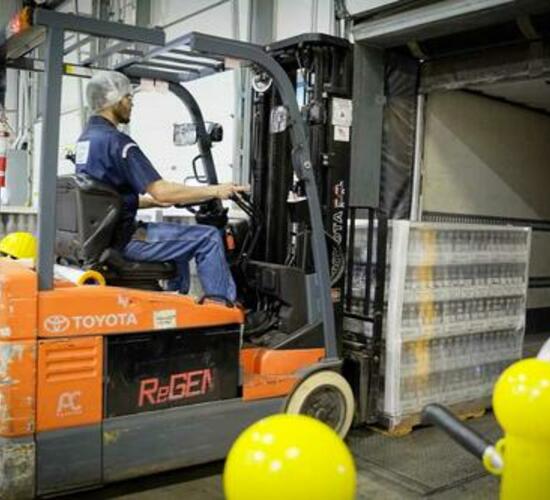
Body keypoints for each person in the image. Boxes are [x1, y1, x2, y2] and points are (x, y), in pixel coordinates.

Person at [75, 71, 247, 301]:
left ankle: (173, 302)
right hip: (124, 239)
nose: (131, 103)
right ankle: (223, 309)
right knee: (207, 237)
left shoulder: (87, 140)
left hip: (104, 237)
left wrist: (148, 201)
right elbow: (162, 191)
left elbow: (105, 197)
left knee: (179, 240)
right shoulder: (117, 142)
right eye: (128, 98)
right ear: (112, 99)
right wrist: (217, 190)